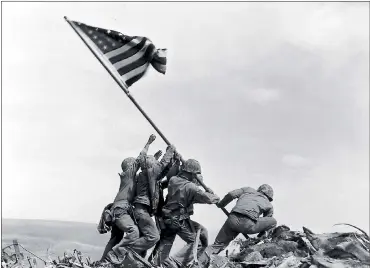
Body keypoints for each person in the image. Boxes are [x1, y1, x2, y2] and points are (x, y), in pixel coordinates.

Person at [100, 134, 156, 265]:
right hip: (121, 210)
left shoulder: (128, 178)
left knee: (116, 237)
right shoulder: (129, 174)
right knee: (134, 231)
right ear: (130, 166)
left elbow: (144, 166)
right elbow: (140, 158)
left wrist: (155, 159)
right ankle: (116, 254)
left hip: (118, 209)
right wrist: (148, 143)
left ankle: (104, 262)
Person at [156, 159, 220, 268]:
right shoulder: (191, 187)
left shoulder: (173, 180)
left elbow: (191, 196)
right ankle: (176, 262)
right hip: (178, 220)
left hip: (168, 218)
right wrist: (213, 195)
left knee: (201, 232)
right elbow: (210, 199)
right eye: (195, 174)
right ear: (191, 173)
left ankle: (160, 262)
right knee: (197, 243)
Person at [198, 184, 277, 268]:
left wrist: (221, 204)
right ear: (269, 197)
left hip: (232, 219)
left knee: (217, 245)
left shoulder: (247, 189)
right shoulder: (269, 205)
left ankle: (197, 264)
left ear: (259, 190)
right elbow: (267, 221)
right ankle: (261, 239)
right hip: (248, 224)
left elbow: (231, 194)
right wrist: (260, 236)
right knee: (273, 221)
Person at [129, 144, 177, 257]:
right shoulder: (149, 173)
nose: (156, 164)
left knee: (144, 238)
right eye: (154, 162)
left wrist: (172, 162)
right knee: (153, 237)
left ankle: (133, 259)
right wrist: (170, 150)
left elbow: (162, 172)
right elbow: (162, 164)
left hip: (140, 211)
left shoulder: (144, 175)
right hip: (141, 211)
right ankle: (125, 250)